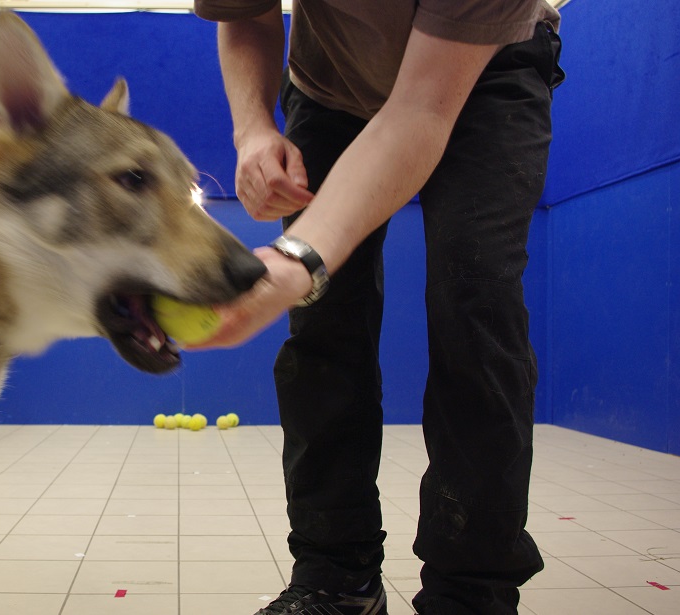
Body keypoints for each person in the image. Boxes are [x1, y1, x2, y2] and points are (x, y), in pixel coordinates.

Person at [190, 1, 565, 614]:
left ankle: (471, 593)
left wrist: (298, 258)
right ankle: (337, 580)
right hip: (330, 79)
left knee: (478, 301)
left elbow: (418, 110)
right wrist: (253, 128)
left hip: (486, 70)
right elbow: (245, 13)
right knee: (323, 319)